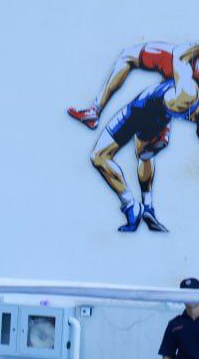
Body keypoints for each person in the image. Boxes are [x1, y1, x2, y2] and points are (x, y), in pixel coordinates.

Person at [88, 81, 197, 233]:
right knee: (145, 155)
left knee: (99, 156)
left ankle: (131, 206)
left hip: (142, 108)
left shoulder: (187, 90)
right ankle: (147, 206)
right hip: (156, 114)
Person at [68, 41, 199, 129]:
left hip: (182, 64)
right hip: (187, 75)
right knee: (170, 96)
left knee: (128, 56)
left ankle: (95, 110)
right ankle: (162, 129)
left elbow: (179, 53)